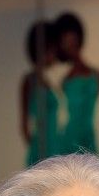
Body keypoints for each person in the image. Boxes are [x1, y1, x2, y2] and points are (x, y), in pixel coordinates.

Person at [54, 11, 99, 156]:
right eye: (65, 42)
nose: (70, 44)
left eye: (72, 39)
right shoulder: (65, 80)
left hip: (88, 136)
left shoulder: (97, 75)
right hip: (69, 138)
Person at [20, 19, 62, 167]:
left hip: (54, 147)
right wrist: (37, 149)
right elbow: (24, 125)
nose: (54, 55)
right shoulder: (29, 81)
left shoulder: (48, 81)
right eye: (51, 50)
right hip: (41, 149)